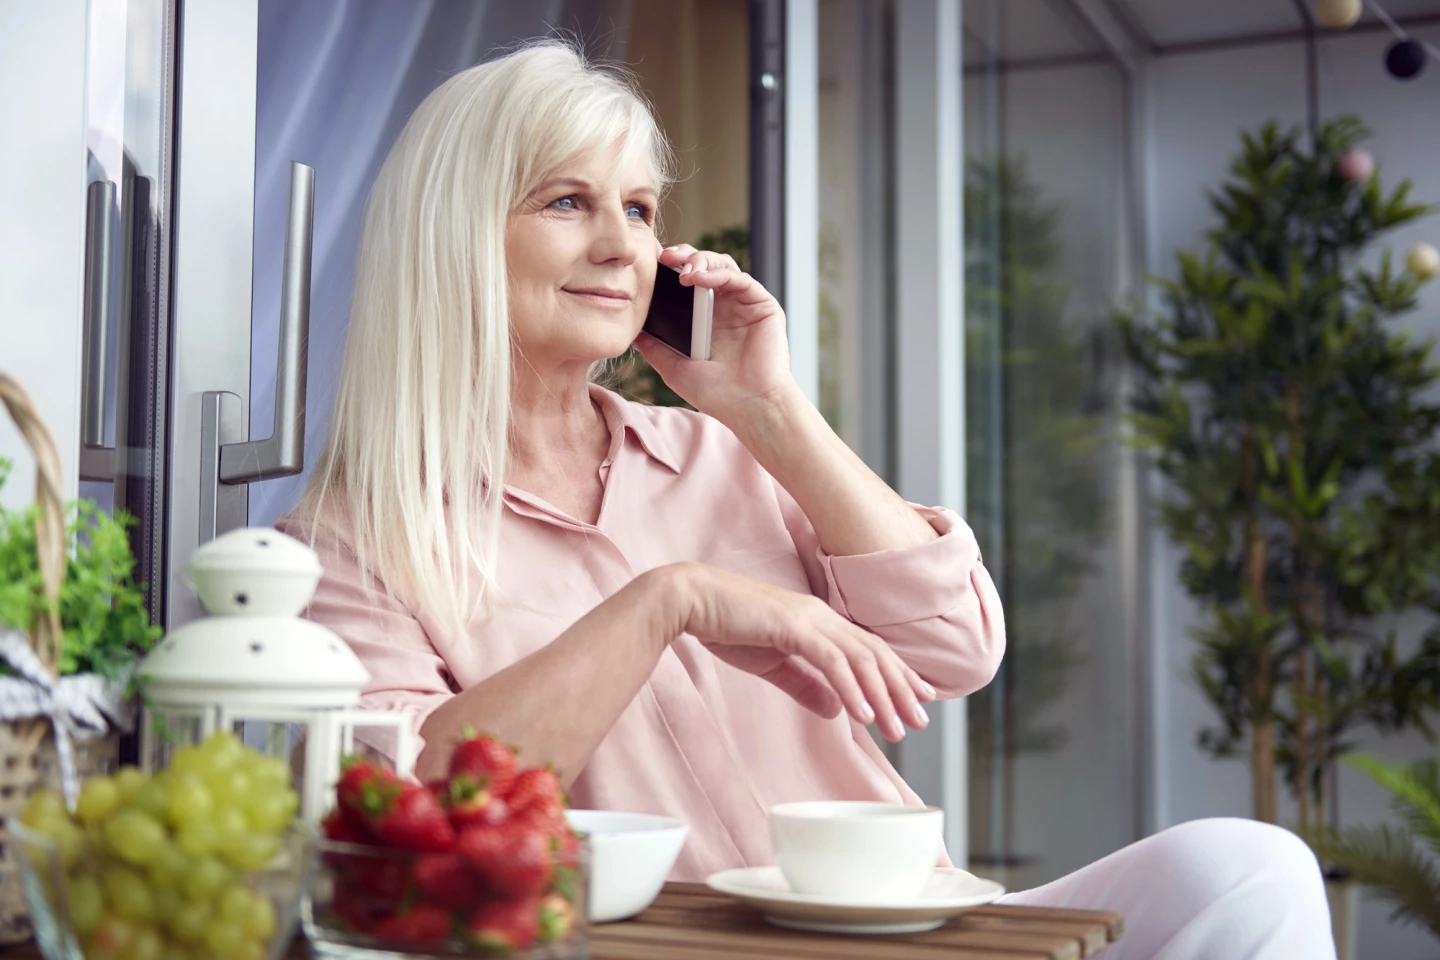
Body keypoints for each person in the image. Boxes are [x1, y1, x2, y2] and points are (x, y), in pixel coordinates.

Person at [276, 40, 1334, 960]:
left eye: (639, 210)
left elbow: (956, 648)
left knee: (1248, 870)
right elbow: (415, 801)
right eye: (568, 202)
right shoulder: (351, 542)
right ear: (454, 235)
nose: (621, 246)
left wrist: (770, 408)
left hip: (911, 930)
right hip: (675, 955)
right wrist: (669, 601)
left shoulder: (715, 454)